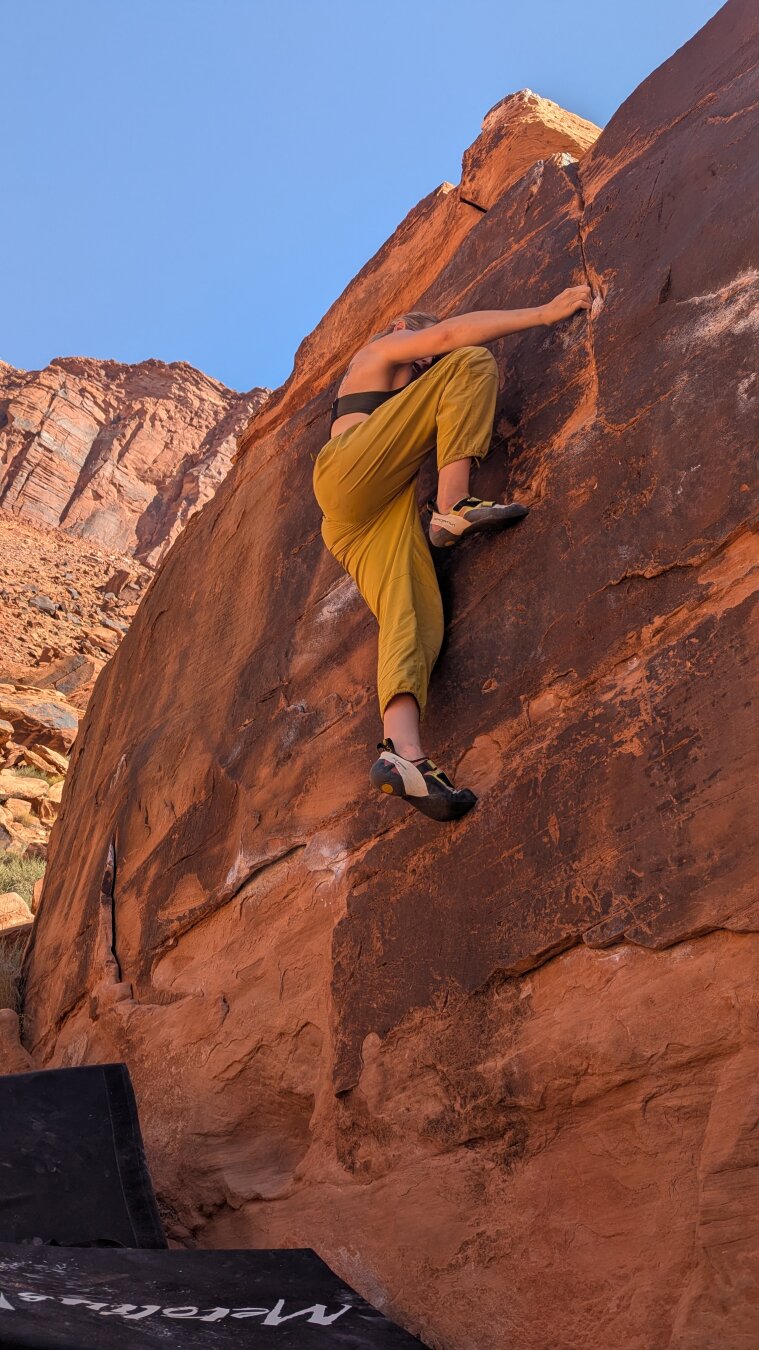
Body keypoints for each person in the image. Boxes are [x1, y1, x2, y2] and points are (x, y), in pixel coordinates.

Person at [312, 285, 592, 822]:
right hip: (347, 474)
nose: (425, 358)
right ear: (400, 332)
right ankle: (452, 504)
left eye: (427, 361)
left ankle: (402, 755)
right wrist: (544, 312)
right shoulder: (376, 352)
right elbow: (448, 339)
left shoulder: (403, 396)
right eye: (420, 349)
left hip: (360, 516)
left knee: (413, 616)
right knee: (470, 363)